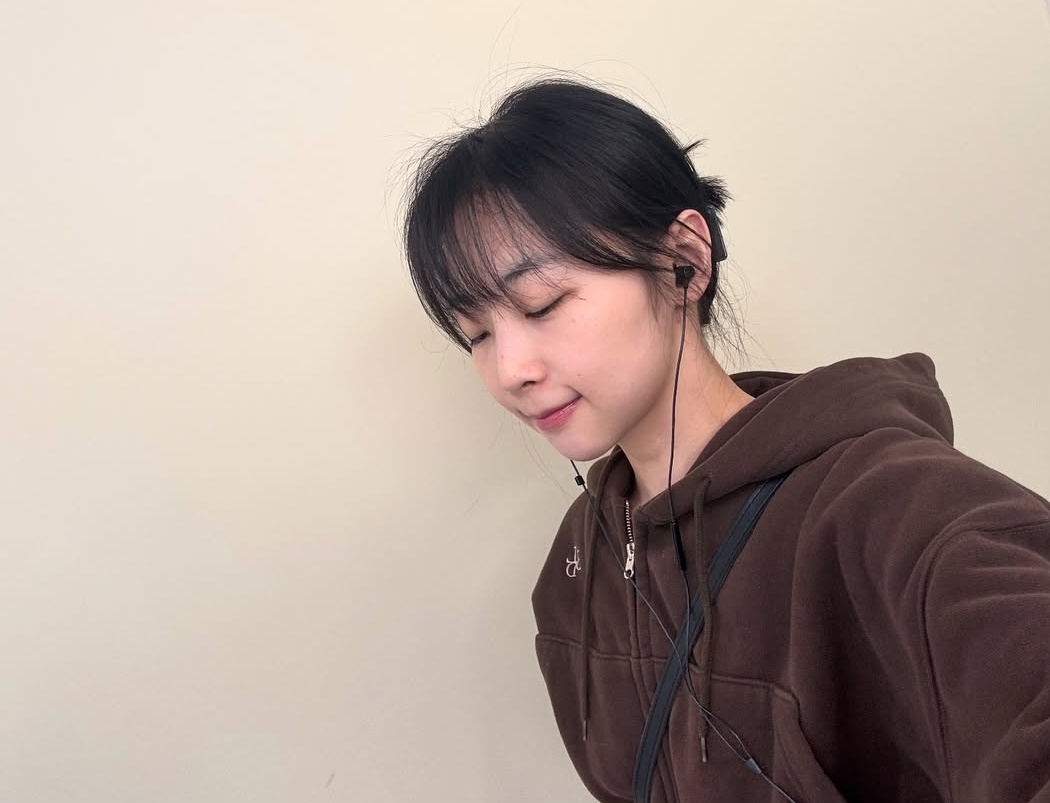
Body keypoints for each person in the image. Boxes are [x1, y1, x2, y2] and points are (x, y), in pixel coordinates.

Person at [401, 77, 1050, 803]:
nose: (510, 369)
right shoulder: (573, 572)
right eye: (477, 334)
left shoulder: (894, 508)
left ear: (684, 260)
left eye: (541, 304)